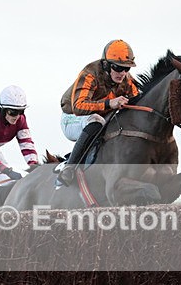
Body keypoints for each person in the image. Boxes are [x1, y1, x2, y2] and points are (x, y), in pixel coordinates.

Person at [55, 39, 140, 186]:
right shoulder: (90, 74)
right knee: (96, 121)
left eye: (127, 69)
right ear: (106, 64)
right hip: (72, 117)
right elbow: (78, 107)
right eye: (118, 68)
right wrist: (109, 103)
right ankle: (69, 169)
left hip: (100, 118)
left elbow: (137, 101)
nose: (123, 73)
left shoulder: (126, 80)